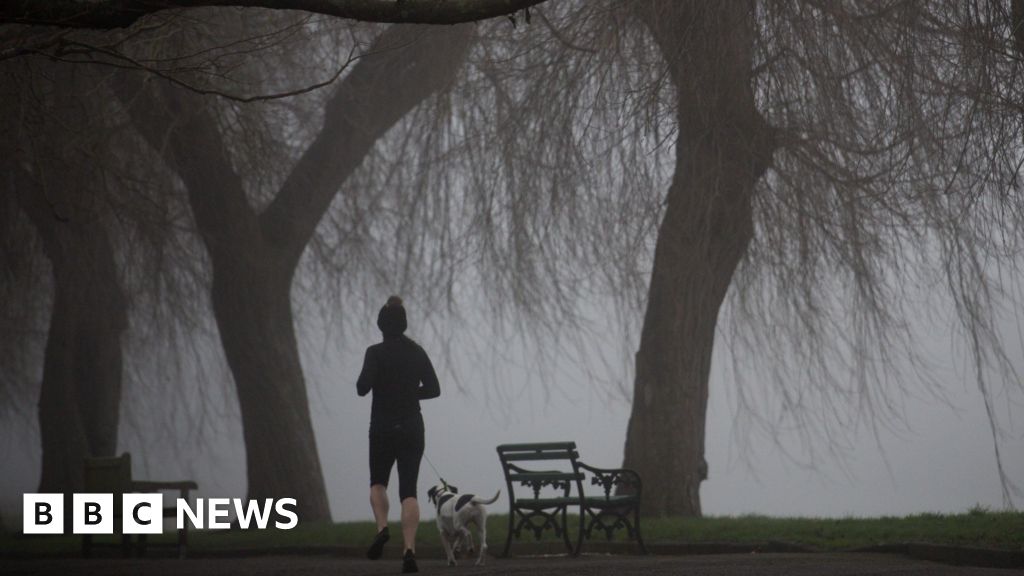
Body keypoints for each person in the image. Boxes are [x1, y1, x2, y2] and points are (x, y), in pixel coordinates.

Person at [357, 296, 440, 574]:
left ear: (381, 325)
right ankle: (408, 550)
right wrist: (409, 392)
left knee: (378, 482)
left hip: (381, 427)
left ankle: (382, 528)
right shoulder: (417, 352)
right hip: (412, 428)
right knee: (409, 491)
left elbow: (361, 387)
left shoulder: (374, 353)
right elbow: (433, 389)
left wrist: (382, 384)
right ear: (403, 325)